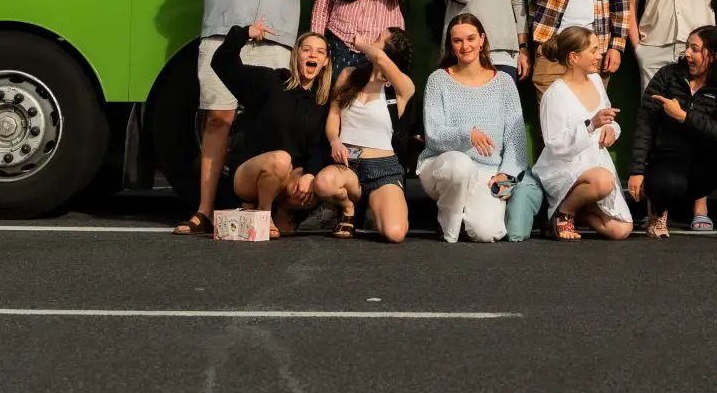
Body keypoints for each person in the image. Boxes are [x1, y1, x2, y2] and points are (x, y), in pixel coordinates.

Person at [189, 0, 320, 233]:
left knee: (275, 127)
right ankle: (205, 209)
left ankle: (272, 211)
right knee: (218, 118)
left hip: (276, 38)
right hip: (223, 32)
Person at [182, 22, 331, 235]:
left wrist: (310, 174)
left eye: (320, 52)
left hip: (287, 176)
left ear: (325, 61)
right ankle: (264, 213)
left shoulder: (322, 101)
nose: (313, 55)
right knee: (281, 159)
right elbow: (223, 64)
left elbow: (319, 146)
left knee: (313, 186)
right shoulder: (271, 82)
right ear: (296, 55)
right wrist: (243, 34)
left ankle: (282, 211)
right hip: (250, 175)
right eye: (307, 49)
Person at [626, 26, 717, 242]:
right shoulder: (668, 76)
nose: (687, 54)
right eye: (687, 47)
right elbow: (645, 123)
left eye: (695, 49)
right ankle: (657, 212)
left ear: (713, 56)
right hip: (667, 164)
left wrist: (684, 116)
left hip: (702, 170)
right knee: (667, 183)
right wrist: (636, 170)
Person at [415, 14, 533, 243]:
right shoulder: (438, 80)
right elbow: (433, 136)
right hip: (443, 167)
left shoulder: (504, 83)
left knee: (486, 232)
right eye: (457, 41)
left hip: (487, 172)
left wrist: (506, 174)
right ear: (451, 45)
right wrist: (467, 134)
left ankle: (464, 213)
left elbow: (515, 136)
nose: (465, 46)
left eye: (470, 39)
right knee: (460, 166)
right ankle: (449, 224)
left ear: (482, 40)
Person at [532, 25, 634, 240]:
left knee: (621, 231)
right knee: (603, 181)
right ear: (574, 57)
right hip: (565, 166)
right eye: (594, 51)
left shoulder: (596, 81)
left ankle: (580, 212)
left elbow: (608, 121)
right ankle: (563, 212)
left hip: (596, 163)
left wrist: (610, 129)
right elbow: (554, 144)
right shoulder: (555, 93)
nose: (599, 56)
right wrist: (590, 125)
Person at [319, 29, 418, 243]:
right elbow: (334, 116)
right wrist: (334, 141)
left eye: (378, 40)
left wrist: (361, 44)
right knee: (324, 183)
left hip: (382, 168)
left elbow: (380, 58)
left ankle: (377, 205)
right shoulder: (349, 74)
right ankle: (348, 208)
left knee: (395, 233)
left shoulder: (403, 86)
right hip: (348, 163)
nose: (372, 42)